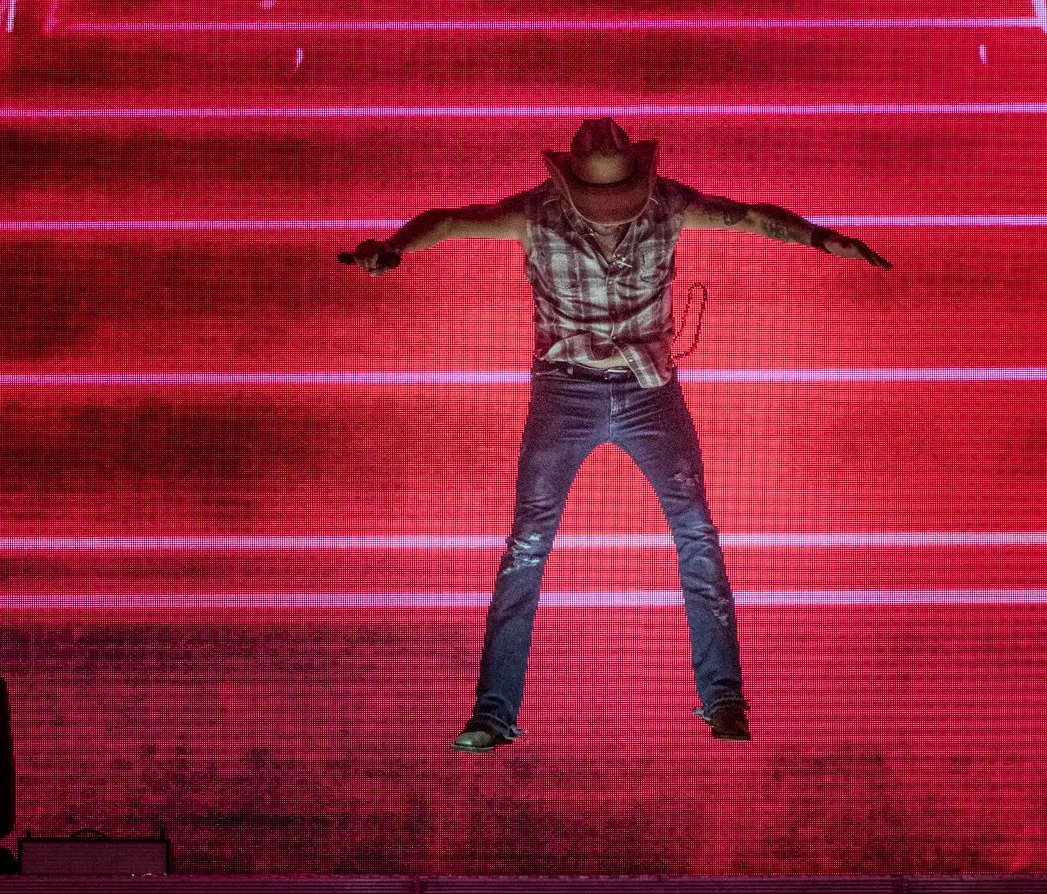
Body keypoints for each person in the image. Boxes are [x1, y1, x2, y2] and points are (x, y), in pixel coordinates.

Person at [351, 118, 891, 753]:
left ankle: (724, 698)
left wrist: (821, 238)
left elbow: (749, 217)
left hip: (650, 391)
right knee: (527, 545)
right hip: (564, 392)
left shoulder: (667, 204)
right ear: (571, 187)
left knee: (696, 534)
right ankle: (493, 714)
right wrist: (395, 246)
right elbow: (449, 222)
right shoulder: (536, 214)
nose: (611, 218)